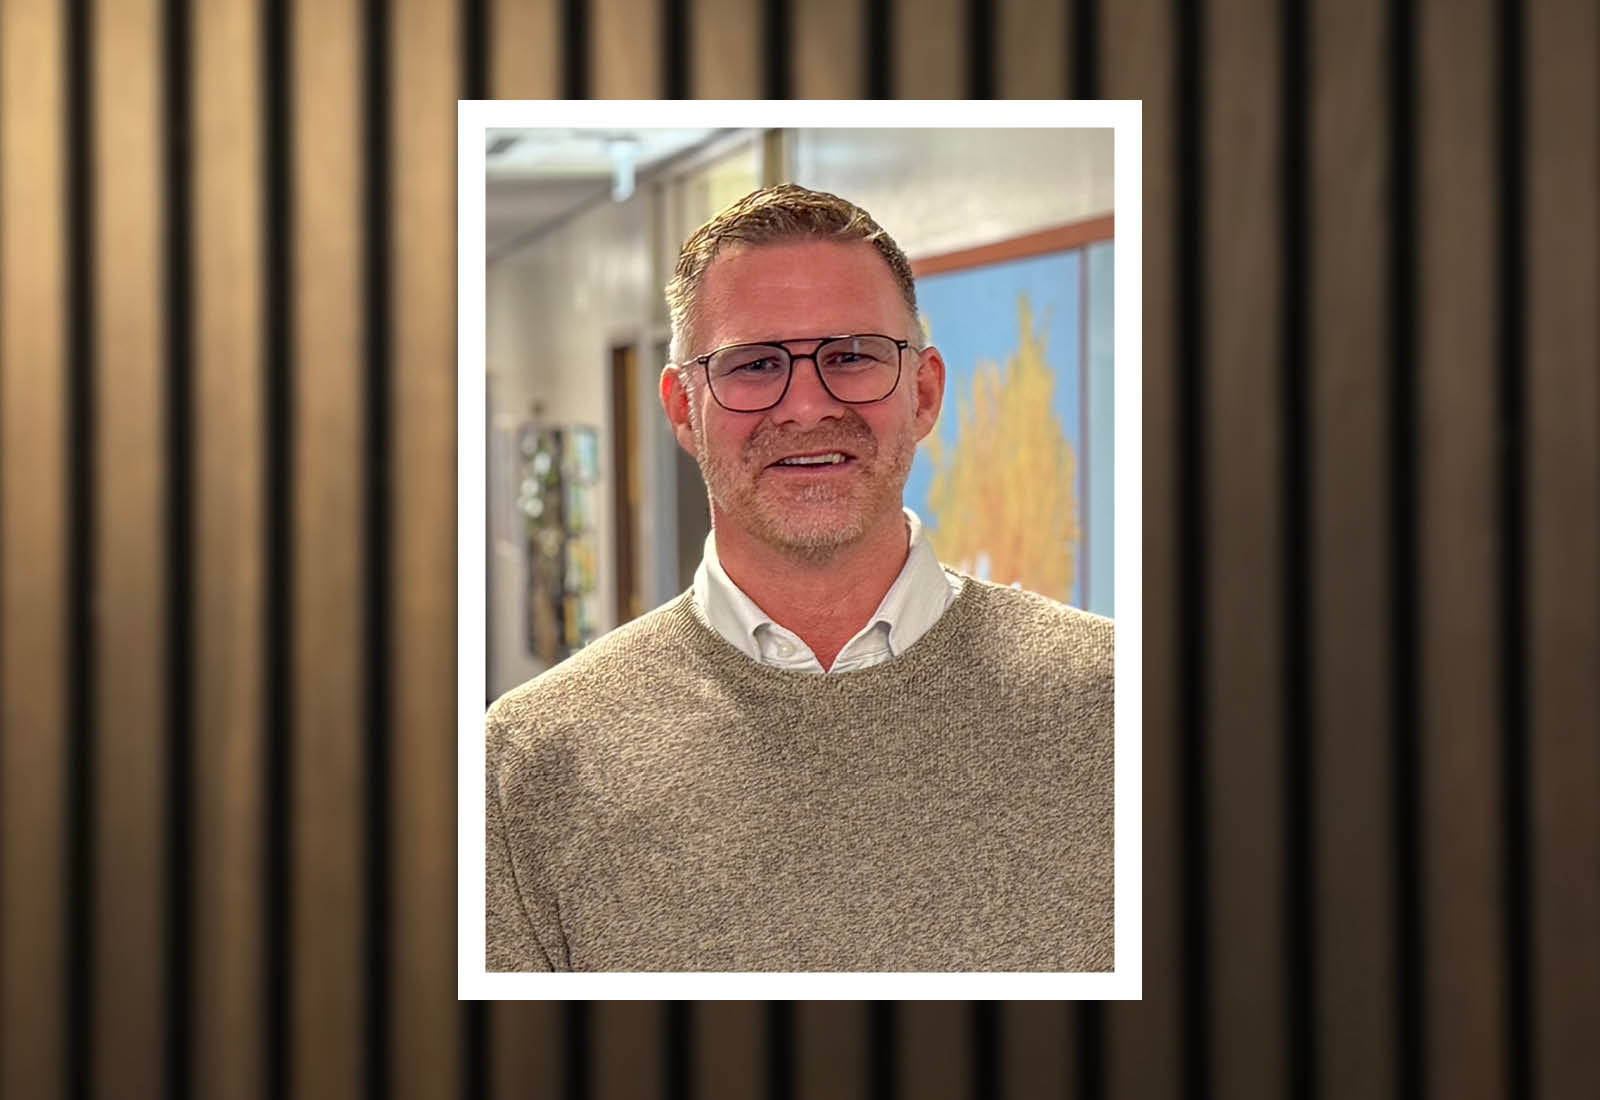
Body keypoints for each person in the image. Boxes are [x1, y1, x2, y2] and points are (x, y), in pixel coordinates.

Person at [486, 184, 1114, 972]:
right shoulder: (532, 761)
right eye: (755, 365)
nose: (808, 407)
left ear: (923, 392)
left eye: (851, 356)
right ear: (683, 410)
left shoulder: (1120, 703)